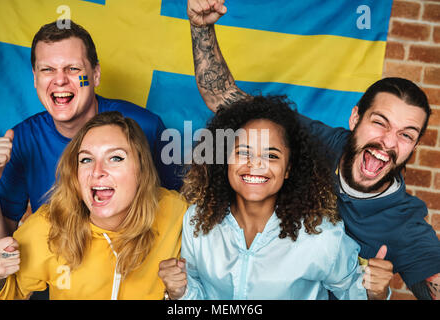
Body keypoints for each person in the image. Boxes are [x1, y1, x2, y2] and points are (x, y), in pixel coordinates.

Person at [186, 0, 440, 300]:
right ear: (355, 117)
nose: (388, 141)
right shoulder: (314, 142)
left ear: (414, 146)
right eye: (380, 122)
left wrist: (376, 293)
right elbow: (223, 98)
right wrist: (201, 27)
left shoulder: (404, 224)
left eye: (406, 135)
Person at [159, 95, 392, 300]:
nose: (255, 164)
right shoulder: (197, 221)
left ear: (289, 168)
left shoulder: (321, 236)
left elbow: (356, 294)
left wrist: (376, 293)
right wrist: (181, 292)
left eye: (271, 155)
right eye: (243, 152)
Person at [0, 20, 181, 246]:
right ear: (35, 78)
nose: (59, 80)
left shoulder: (146, 126)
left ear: (95, 74)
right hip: (61, 269)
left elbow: (179, 215)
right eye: (47, 70)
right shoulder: (21, 139)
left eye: (73, 69)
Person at [0, 111, 188, 299]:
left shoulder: (175, 212)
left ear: (142, 169)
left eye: (115, 158)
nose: (97, 171)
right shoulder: (49, 225)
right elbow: (8, 291)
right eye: (86, 159)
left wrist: (178, 293)